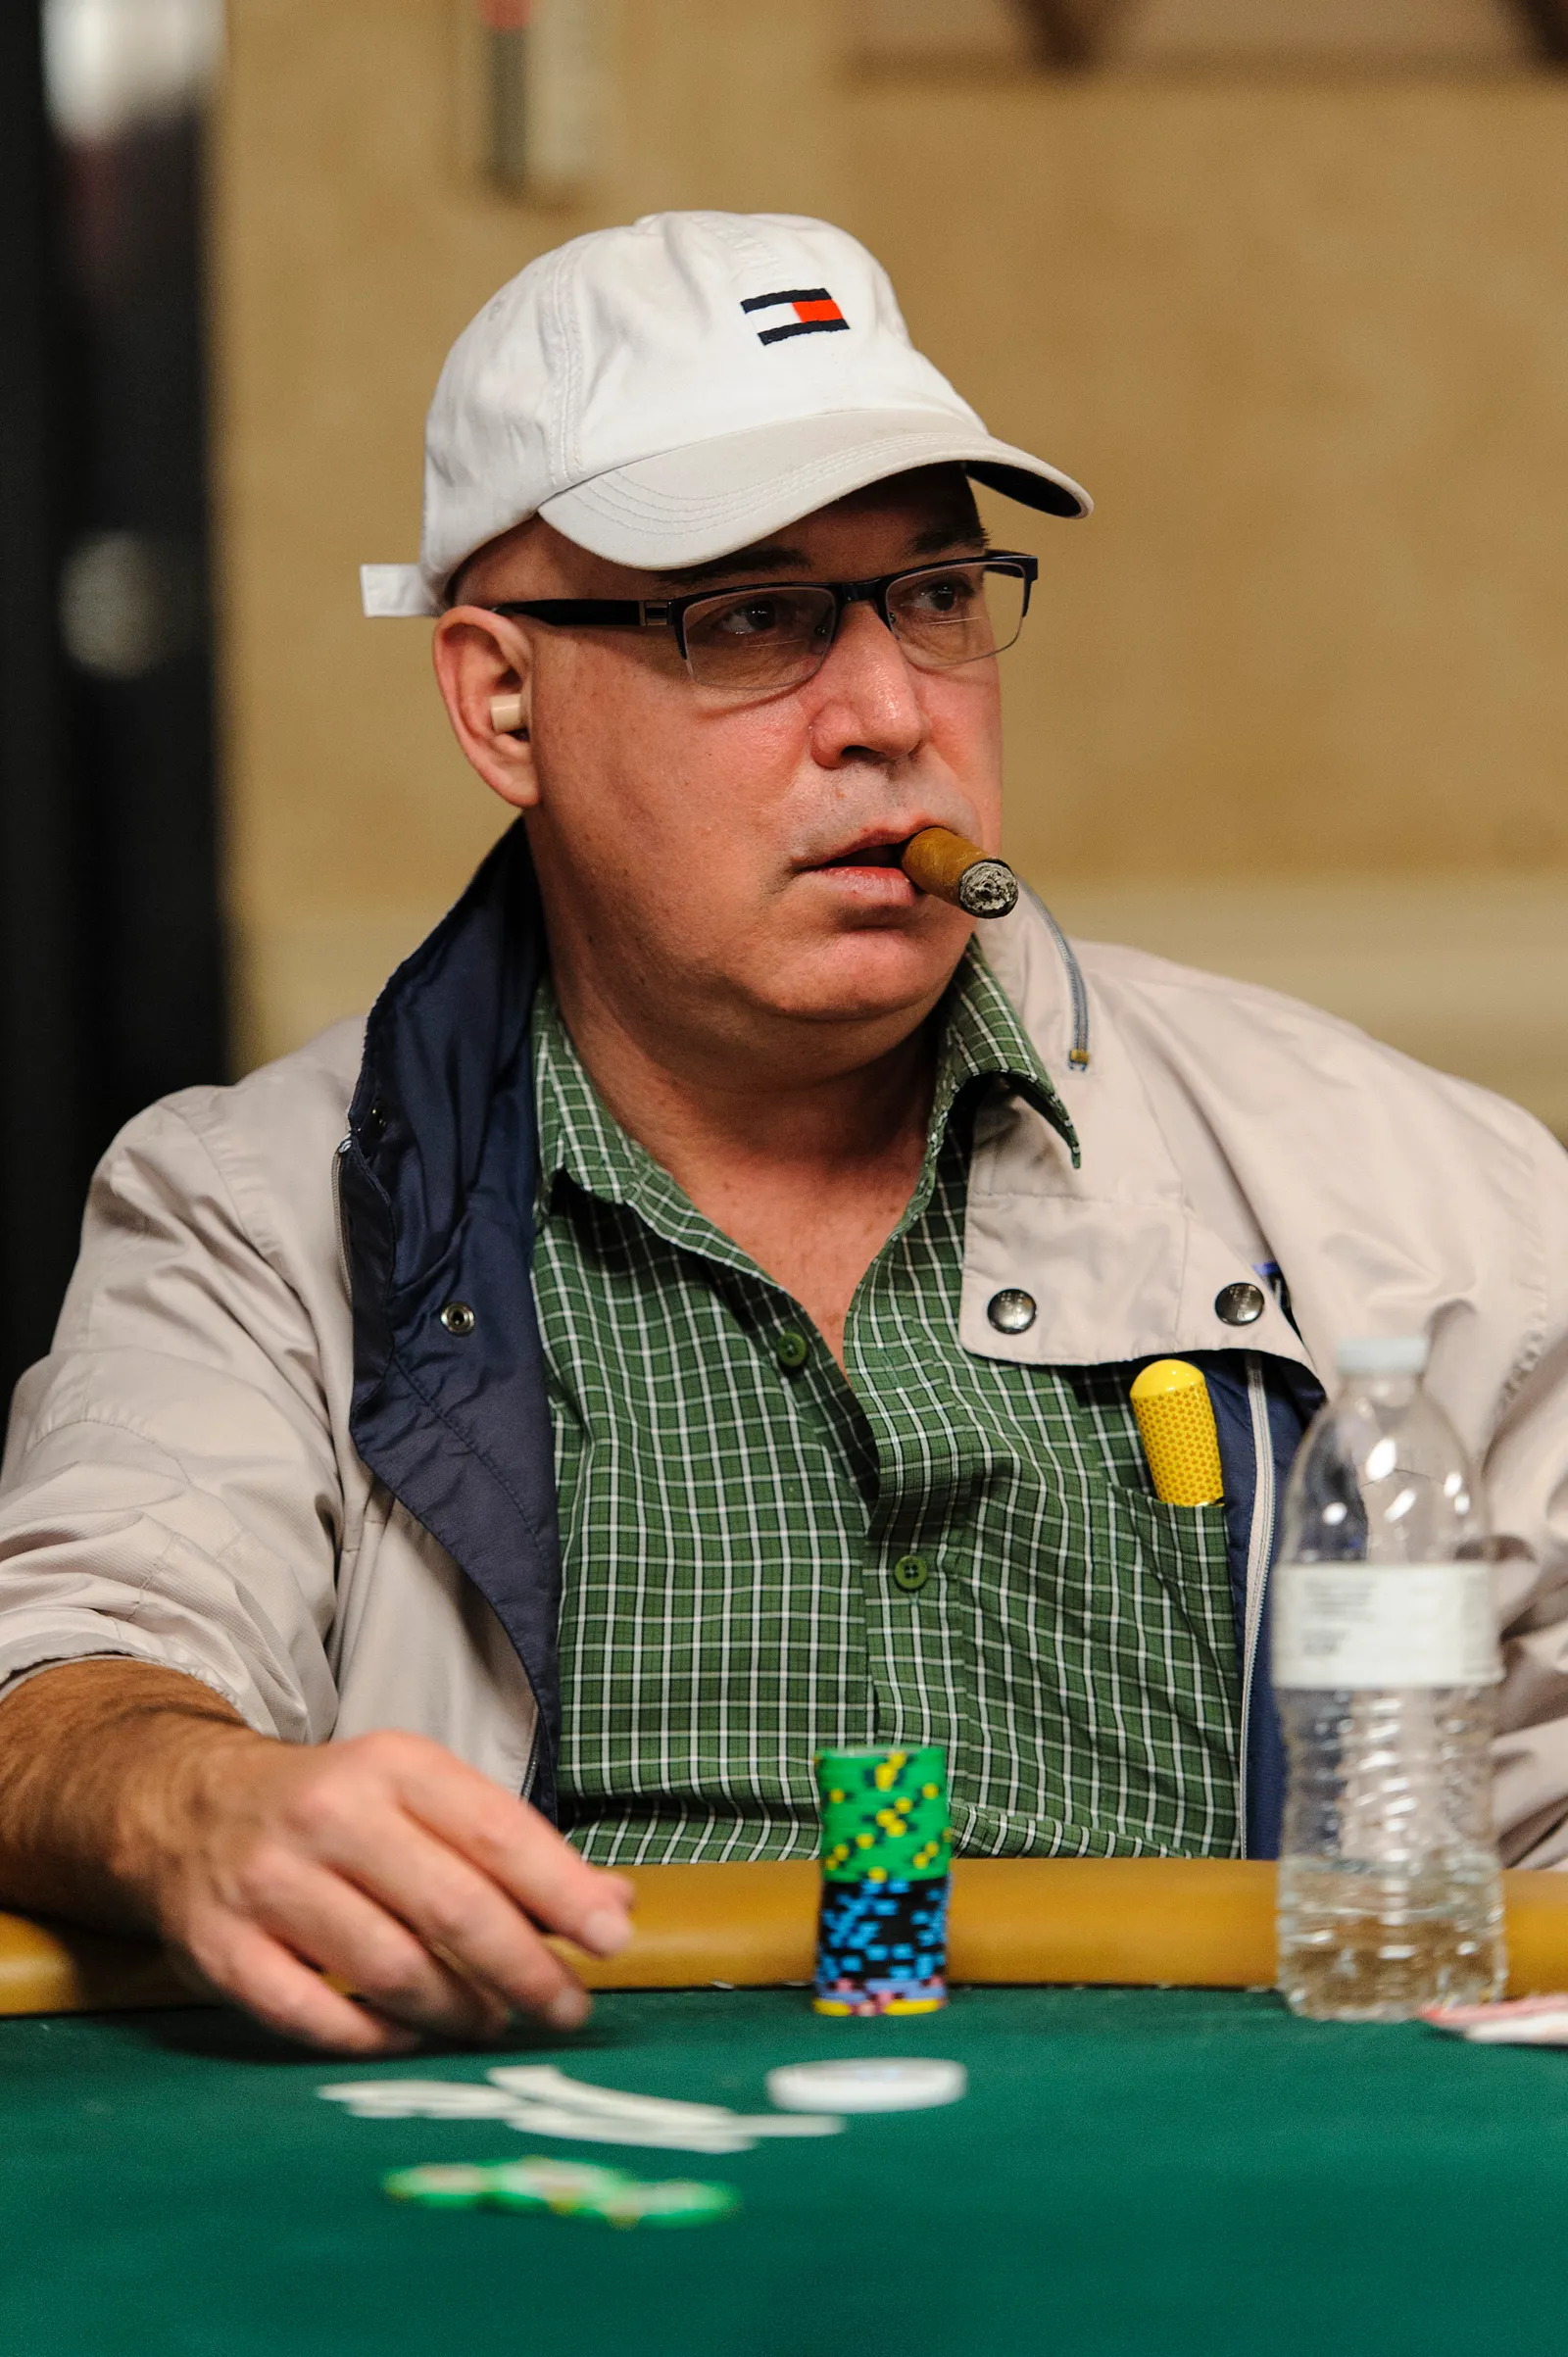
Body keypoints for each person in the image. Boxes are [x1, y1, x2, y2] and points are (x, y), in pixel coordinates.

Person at [1, 212, 1565, 2057]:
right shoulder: (250, 1214)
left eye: (937, 596)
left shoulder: (1421, 1198)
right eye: (750, 617)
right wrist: (200, 1801)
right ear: (501, 698)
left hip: (1223, 2188)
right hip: (560, 2184)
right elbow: (61, 1685)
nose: (893, 716)